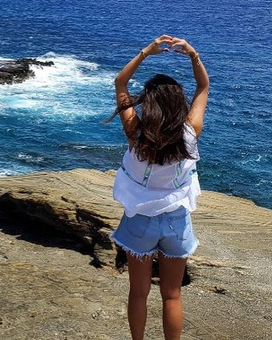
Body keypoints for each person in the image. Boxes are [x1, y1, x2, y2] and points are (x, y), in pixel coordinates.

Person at [109, 34, 209, 340]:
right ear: (178, 103)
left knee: (138, 294)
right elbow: (203, 87)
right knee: (172, 295)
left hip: (140, 221)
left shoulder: (135, 135)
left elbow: (120, 84)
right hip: (177, 222)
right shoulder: (190, 133)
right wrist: (193, 55)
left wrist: (145, 53)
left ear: (149, 103)